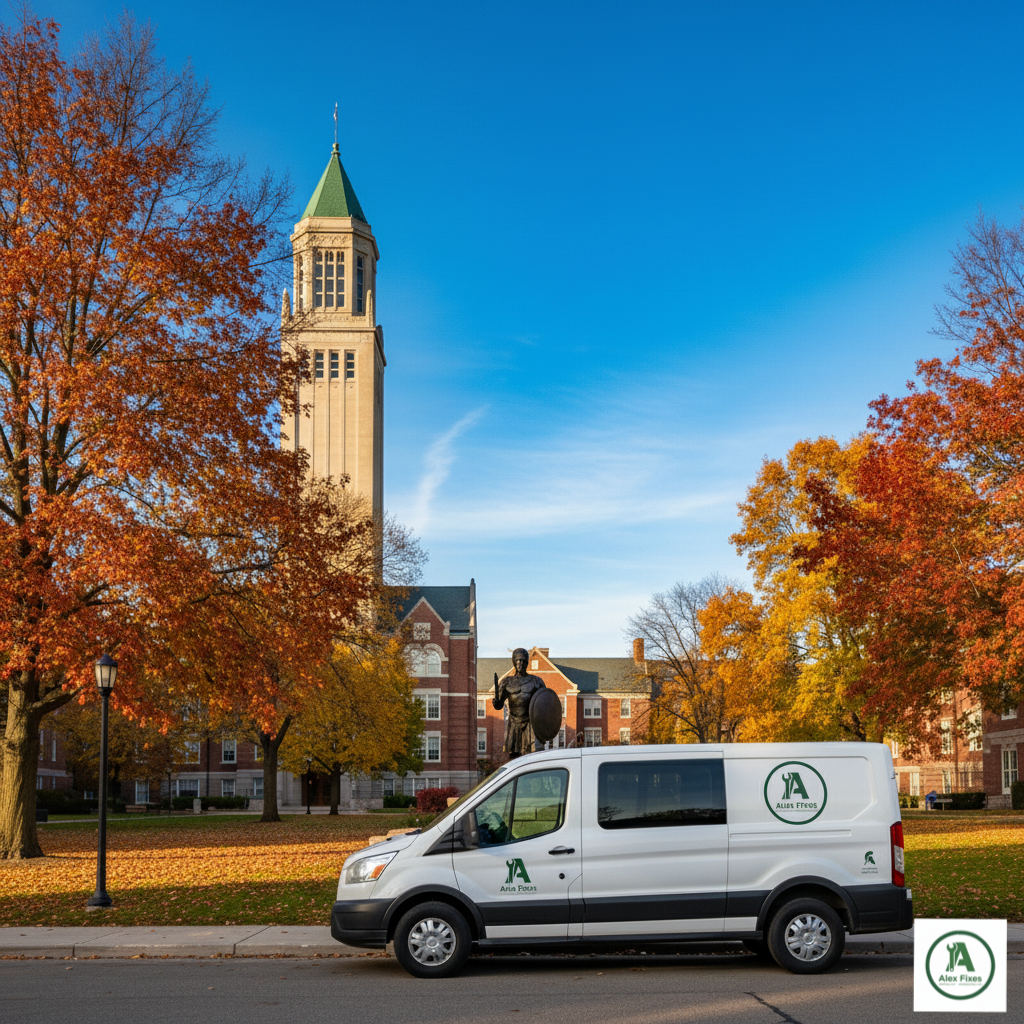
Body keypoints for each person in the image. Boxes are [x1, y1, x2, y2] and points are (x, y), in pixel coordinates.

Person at [493, 648, 547, 758]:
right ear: (514, 662)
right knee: (514, 756)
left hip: (530, 722)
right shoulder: (507, 682)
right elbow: (499, 706)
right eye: (518, 660)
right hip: (514, 722)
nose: (520, 663)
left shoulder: (536, 682)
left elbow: (545, 704)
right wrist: (496, 702)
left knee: (533, 755)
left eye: (523, 660)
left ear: (527, 662)